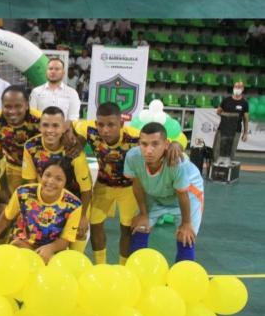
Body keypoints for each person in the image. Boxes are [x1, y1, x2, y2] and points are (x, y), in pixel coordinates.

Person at [126, 123, 204, 261]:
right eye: (144, 144)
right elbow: (137, 185)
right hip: (157, 193)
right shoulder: (133, 157)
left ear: (166, 144)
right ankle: (136, 274)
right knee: (140, 227)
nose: (149, 150)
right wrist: (143, 214)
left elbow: (182, 194)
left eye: (155, 144)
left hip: (188, 193)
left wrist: (186, 224)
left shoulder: (177, 162)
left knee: (185, 236)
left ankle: (182, 279)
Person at [75, 103, 141, 264]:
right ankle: (100, 265)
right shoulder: (89, 129)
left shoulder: (135, 137)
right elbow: (70, 130)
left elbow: (166, 141)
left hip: (129, 188)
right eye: (101, 124)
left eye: (111, 125)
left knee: (126, 229)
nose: (105, 130)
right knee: (95, 224)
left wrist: (176, 145)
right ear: (96, 123)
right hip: (103, 184)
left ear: (121, 124)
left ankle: (123, 268)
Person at [20, 106, 92, 250]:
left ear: (63, 128)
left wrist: (83, 217)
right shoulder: (31, 146)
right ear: (39, 126)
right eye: (46, 125)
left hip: (76, 203)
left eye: (55, 125)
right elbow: (31, 183)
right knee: (41, 243)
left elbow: (86, 189)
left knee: (75, 249)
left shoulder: (73, 149)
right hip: (46, 200)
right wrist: (32, 211)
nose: (50, 130)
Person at [0, 159, 82, 262]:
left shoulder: (74, 205)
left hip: (49, 254)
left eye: (58, 179)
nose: (51, 181)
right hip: (21, 246)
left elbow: (65, 240)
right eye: (47, 175)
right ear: (41, 176)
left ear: (66, 183)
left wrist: (50, 248)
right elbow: (5, 218)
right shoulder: (23, 193)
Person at [0, 85, 42, 210]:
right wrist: (3, 188)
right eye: (7, 106)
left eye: (18, 106)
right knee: (9, 206)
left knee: (37, 207)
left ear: (26, 105)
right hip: (12, 168)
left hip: (39, 169)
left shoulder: (40, 120)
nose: (12, 111)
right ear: (2, 105)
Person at [29, 57, 80, 122]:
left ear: (63, 73)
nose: (53, 71)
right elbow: (32, 115)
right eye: (50, 69)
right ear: (46, 72)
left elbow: (73, 118)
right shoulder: (36, 92)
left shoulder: (72, 93)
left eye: (57, 69)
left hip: (63, 131)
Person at [214, 81, 250, 166]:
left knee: (232, 148)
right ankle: (215, 165)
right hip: (223, 128)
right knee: (218, 147)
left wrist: (245, 133)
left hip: (236, 130)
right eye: (236, 87)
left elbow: (246, 119)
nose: (237, 89)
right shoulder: (226, 100)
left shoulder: (244, 103)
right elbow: (218, 111)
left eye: (239, 87)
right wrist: (228, 115)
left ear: (243, 89)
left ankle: (228, 165)